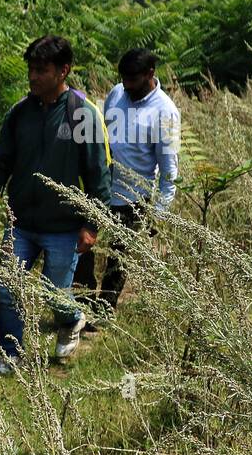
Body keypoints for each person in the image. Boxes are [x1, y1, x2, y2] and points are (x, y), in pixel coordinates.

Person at [0, 35, 111, 374]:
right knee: (8, 289)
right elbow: (0, 160)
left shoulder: (81, 115)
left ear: (64, 71)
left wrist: (92, 225)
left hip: (63, 226)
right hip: (22, 224)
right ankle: (11, 356)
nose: (33, 77)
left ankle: (73, 318)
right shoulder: (20, 114)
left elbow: (98, 175)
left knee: (53, 293)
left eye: (41, 70)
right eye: (31, 69)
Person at [72, 48, 180, 328]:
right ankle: (82, 307)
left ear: (150, 74)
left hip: (134, 198)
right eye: (124, 79)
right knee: (83, 246)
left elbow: (169, 170)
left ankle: (104, 312)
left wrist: (159, 213)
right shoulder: (117, 93)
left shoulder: (165, 112)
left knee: (118, 260)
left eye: (134, 80)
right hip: (100, 190)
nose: (128, 85)